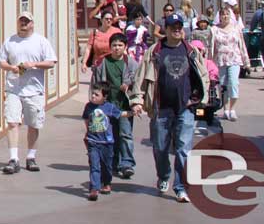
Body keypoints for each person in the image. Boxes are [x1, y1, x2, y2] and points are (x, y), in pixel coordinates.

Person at [129, 13, 209, 203]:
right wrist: (137, 100)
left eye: (180, 26)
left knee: (183, 150)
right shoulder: (155, 51)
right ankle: (164, 176)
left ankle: (180, 186)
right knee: (161, 148)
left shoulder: (190, 50)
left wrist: (200, 97)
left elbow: (203, 74)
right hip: (160, 108)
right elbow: (140, 77)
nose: (177, 29)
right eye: (173, 26)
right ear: (165, 29)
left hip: (185, 108)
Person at [0, 11, 58, 174]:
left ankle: (31, 157)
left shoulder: (41, 41)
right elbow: (2, 61)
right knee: (12, 122)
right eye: (21, 21)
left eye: (27, 21)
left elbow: (51, 62)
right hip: (13, 88)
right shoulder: (10, 41)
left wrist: (34, 65)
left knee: (33, 124)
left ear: (32, 23)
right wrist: (11, 67)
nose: (23, 23)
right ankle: (13, 159)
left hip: (34, 90)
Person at [91, 33, 137, 179]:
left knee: (125, 134)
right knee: (110, 135)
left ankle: (127, 164)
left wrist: (128, 87)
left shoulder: (131, 63)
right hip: (107, 107)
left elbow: (138, 84)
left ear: (125, 47)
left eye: (120, 45)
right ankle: (113, 163)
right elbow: (95, 84)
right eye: (114, 45)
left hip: (124, 105)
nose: (117, 48)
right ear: (110, 47)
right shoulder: (102, 63)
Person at [83, 81, 129, 201]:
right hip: (93, 142)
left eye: (96, 95)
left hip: (107, 143)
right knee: (94, 165)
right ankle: (94, 188)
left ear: (105, 96)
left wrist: (132, 112)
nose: (93, 96)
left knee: (107, 166)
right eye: (92, 94)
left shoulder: (109, 107)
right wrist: (87, 134)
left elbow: (120, 114)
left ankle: (107, 183)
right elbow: (87, 120)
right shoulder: (88, 107)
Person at [211, 7, 250, 120]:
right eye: (223, 14)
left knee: (233, 83)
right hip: (221, 60)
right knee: (222, 86)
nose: (225, 16)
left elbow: (242, 45)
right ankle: (226, 109)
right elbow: (211, 47)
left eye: (227, 14)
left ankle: (232, 109)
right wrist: (209, 62)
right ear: (220, 16)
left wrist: (246, 61)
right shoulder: (214, 29)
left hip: (234, 59)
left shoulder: (236, 29)